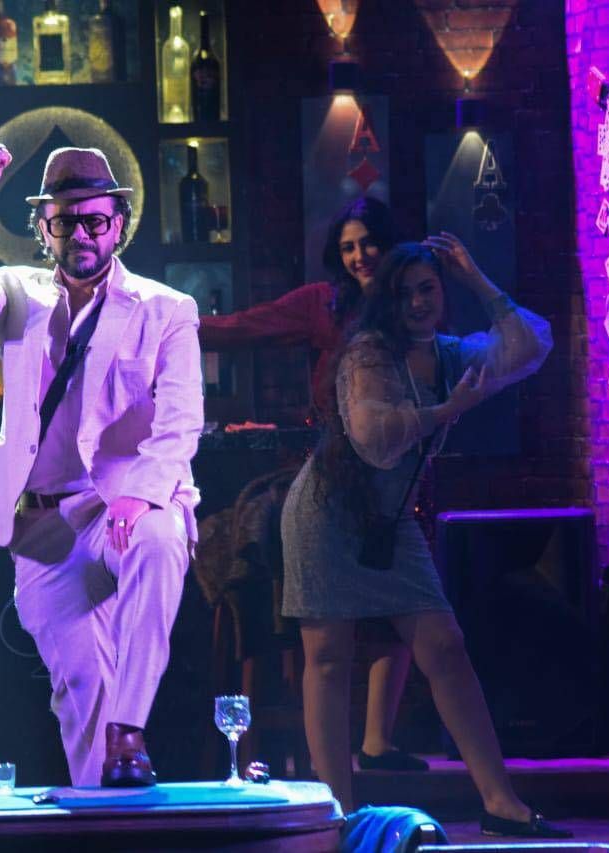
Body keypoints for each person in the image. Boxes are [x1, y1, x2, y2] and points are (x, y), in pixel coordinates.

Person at [280, 236, 570, 838]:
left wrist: (476, 277)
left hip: (389, 521)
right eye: (405, 292)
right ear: (387, 298)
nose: (417, 302)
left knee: (445, 645)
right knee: (329, 660)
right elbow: (373, 440)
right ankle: (336, 815)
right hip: (329, 513)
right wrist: (447, 411)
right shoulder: (368, 352)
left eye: (428, 289)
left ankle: (501, 803)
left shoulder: (449, 353)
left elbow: (531, 344)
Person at [0, 142, 204, 788]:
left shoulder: (167, 309)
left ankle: (130, 727)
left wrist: (141, 494)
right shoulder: (15, 295)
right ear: (43, 227)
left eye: (95, 219)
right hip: (45, 524)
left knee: (160, 538)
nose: (80, 233)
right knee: (81, 693)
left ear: (118, 223)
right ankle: (105, 814)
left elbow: (180, 423)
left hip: (122, 508)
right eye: (64, 220)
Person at [200, 197, 427, 772]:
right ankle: (329, 771)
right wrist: (168, 324)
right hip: (337, 474)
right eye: (348, 247)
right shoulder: (325, 304)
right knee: (331, 623)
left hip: (398, 473)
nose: (360, 256)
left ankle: (377, 742)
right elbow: (242, 326)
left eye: (368, 243)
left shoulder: (411, 301)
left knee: (401, 608)